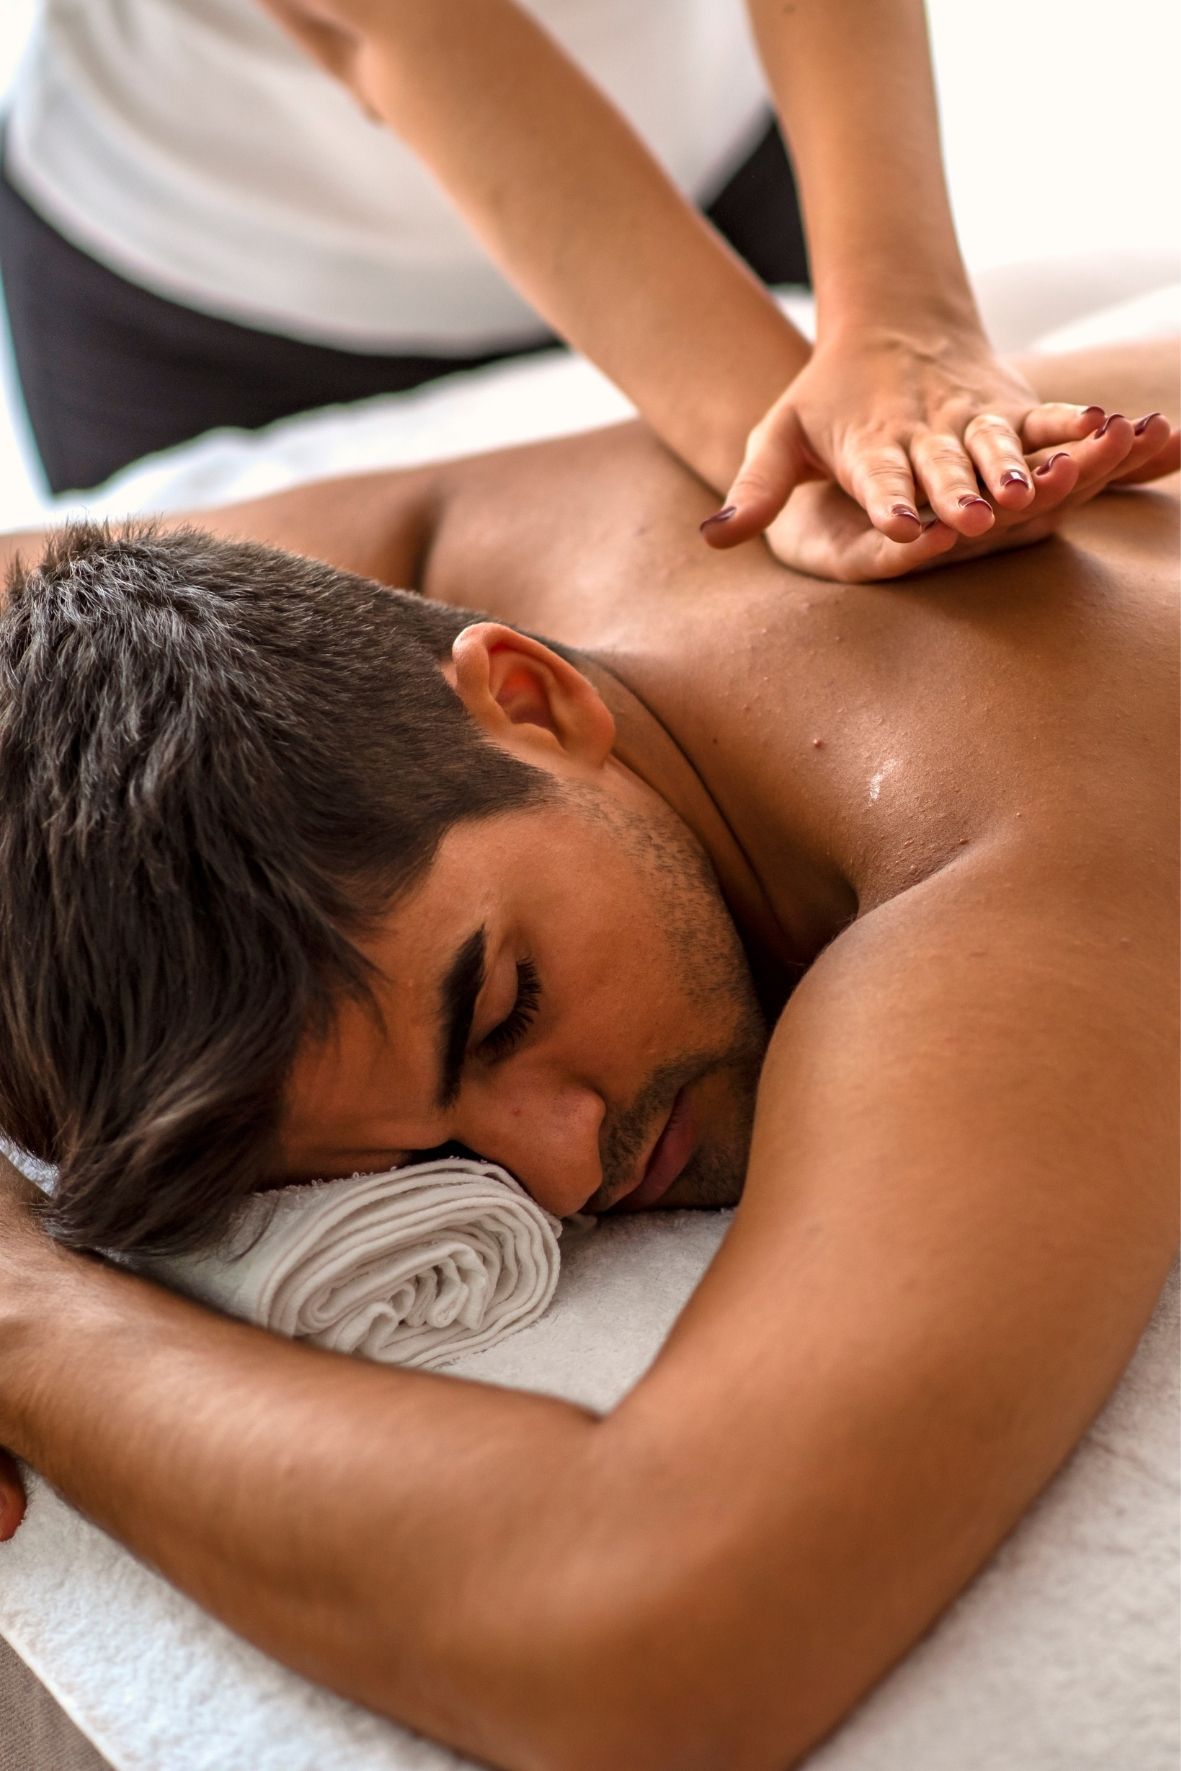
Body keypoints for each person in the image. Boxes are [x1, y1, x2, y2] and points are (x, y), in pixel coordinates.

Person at [0, 316, 1176, 1766]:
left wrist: (21, 1312)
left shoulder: (1021, 847)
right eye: (428, 1157)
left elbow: (653, 1629)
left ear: (533, 698)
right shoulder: (468, 581)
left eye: (502, 1010)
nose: (559, 1173)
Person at [2, 0, 1107, 579]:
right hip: (198, 288)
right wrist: (802, 460)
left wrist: (906, 319)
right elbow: (388, 20)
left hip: (706, 144)